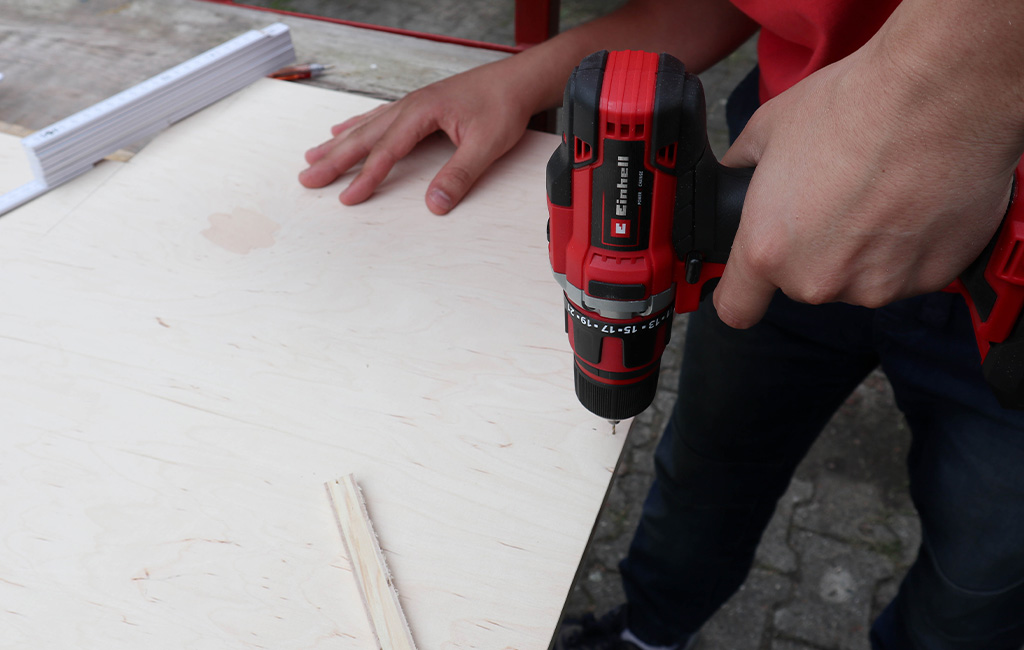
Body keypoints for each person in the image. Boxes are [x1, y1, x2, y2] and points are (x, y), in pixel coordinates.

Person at [300, 1, 1024, 648]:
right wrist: (527, 75)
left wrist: (946, 88)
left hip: (1008, 268)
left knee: (978, 576)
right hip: (779, 197)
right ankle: (649, 633)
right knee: (706, 473)